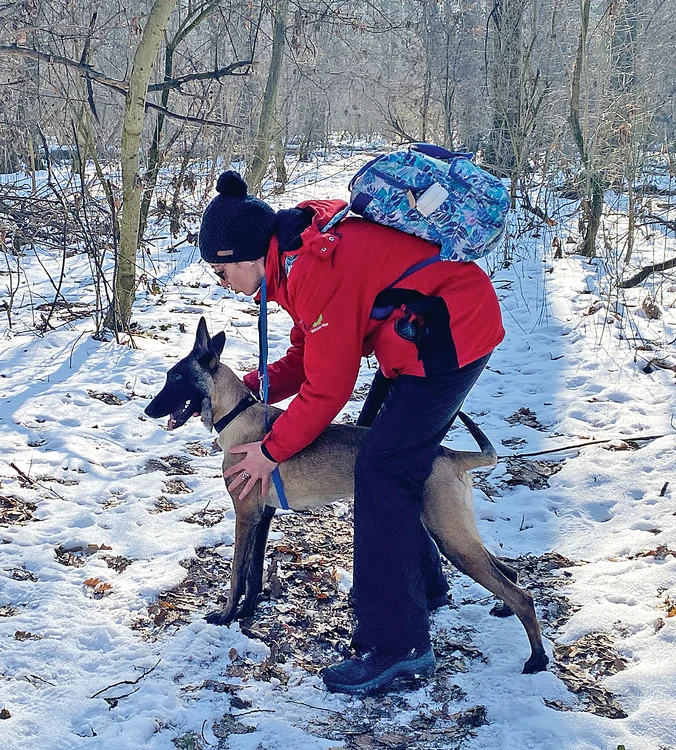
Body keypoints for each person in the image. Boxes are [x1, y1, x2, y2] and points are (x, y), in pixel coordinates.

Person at [198, 170, 505, 695]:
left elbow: (328, 388)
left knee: (381, 469)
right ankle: (424, 587)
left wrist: (270, 451)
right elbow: (305, 357)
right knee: (384, 458)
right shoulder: (293, 259)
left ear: (248, 255)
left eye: (222, 270)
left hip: (449, 338)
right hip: (414, 339)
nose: (222, 282)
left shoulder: (312, 267)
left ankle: (397, 645)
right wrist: (248, 387)